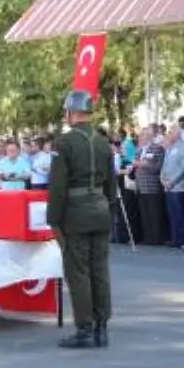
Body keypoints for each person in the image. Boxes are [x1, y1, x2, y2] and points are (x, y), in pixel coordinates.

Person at [47, 90, 117, 350]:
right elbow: (111, 185)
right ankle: (102, 327)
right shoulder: (102, 142)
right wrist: (108, 207)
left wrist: (53, 219)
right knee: (100, 270)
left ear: (70, 112)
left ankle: (85, 328)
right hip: (100, 210)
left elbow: (57, 186)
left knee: (78, 272)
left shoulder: (64, 143)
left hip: (76, 213)